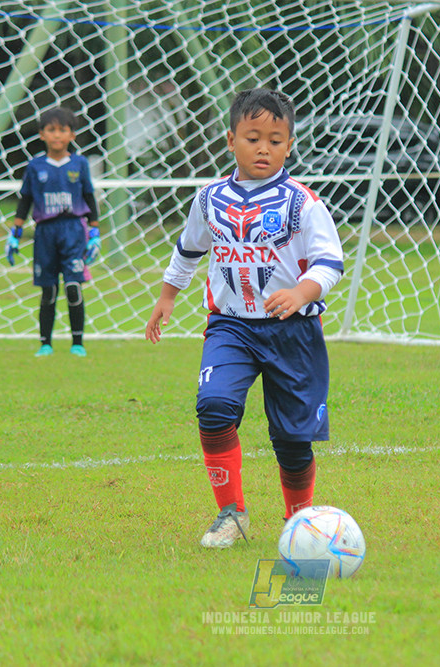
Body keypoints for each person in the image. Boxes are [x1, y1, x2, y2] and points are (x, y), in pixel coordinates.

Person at [145, 88, 344, 548]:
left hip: (293, 331)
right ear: (231, 139)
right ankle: (231, 514)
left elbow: (330, 262)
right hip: (230, 326)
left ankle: (299, 524)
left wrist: (300, 292)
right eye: (253, 138)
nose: (263, 148)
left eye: (275, 140)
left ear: (290, 145)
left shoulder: (303, 203)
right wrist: (168, 296)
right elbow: (188, 249)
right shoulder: (209, 198)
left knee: (292, 440)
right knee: (214, 406)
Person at [5, 107, 100, 358]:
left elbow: (89, 197)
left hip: (73, 231)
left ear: (72, 134)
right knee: (49, 290)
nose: (57, 135)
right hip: (45, 233)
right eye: (51, 130)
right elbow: (25, 200)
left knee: (73, 287)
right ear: (42, 134)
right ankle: (45, 343)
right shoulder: (35, 166)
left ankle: (77, 343)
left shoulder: (79, 164)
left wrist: (95, 232)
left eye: (62, 130)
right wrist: (15, 232)